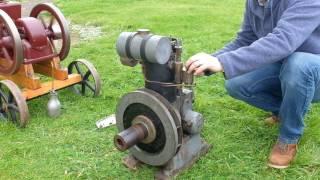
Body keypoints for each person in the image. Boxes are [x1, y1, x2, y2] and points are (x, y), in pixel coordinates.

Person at [186, 0, 320, 169]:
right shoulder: (255, 2)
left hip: (314, 67)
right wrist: (208, 61)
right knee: (236, 83)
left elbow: (284, 40)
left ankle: (289, 137)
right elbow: (245, 39)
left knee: (299, 64)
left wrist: (223, 62)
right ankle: (284, 112)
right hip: (284, 62)